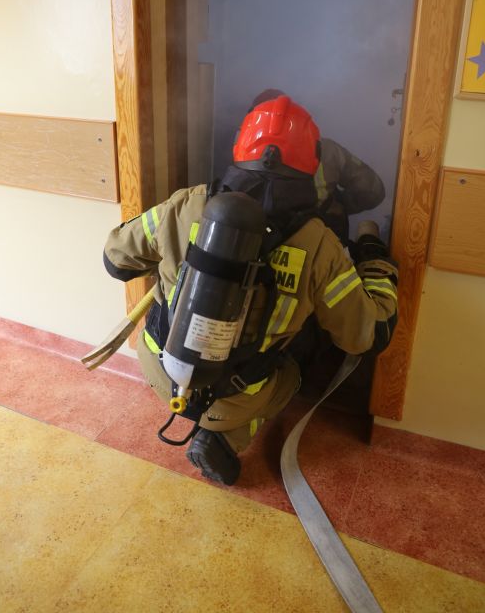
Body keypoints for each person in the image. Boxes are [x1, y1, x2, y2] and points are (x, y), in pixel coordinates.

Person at [103, 95, 397, 486]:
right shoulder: (318, 245)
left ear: (239, 147)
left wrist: (174, 255)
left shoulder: (187, 203)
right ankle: (229, 435)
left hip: (159, 372)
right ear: (312, 161)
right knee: (298, 362)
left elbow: (116, 261)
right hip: (240, 398)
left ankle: (212, 420)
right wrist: (377, 264)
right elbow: (365, 336)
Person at [249, 89, 386, 245]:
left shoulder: (242, 153)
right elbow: (373, 190)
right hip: (325, 246)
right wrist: (338, 204)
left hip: (259, 246)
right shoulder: (327, 149)